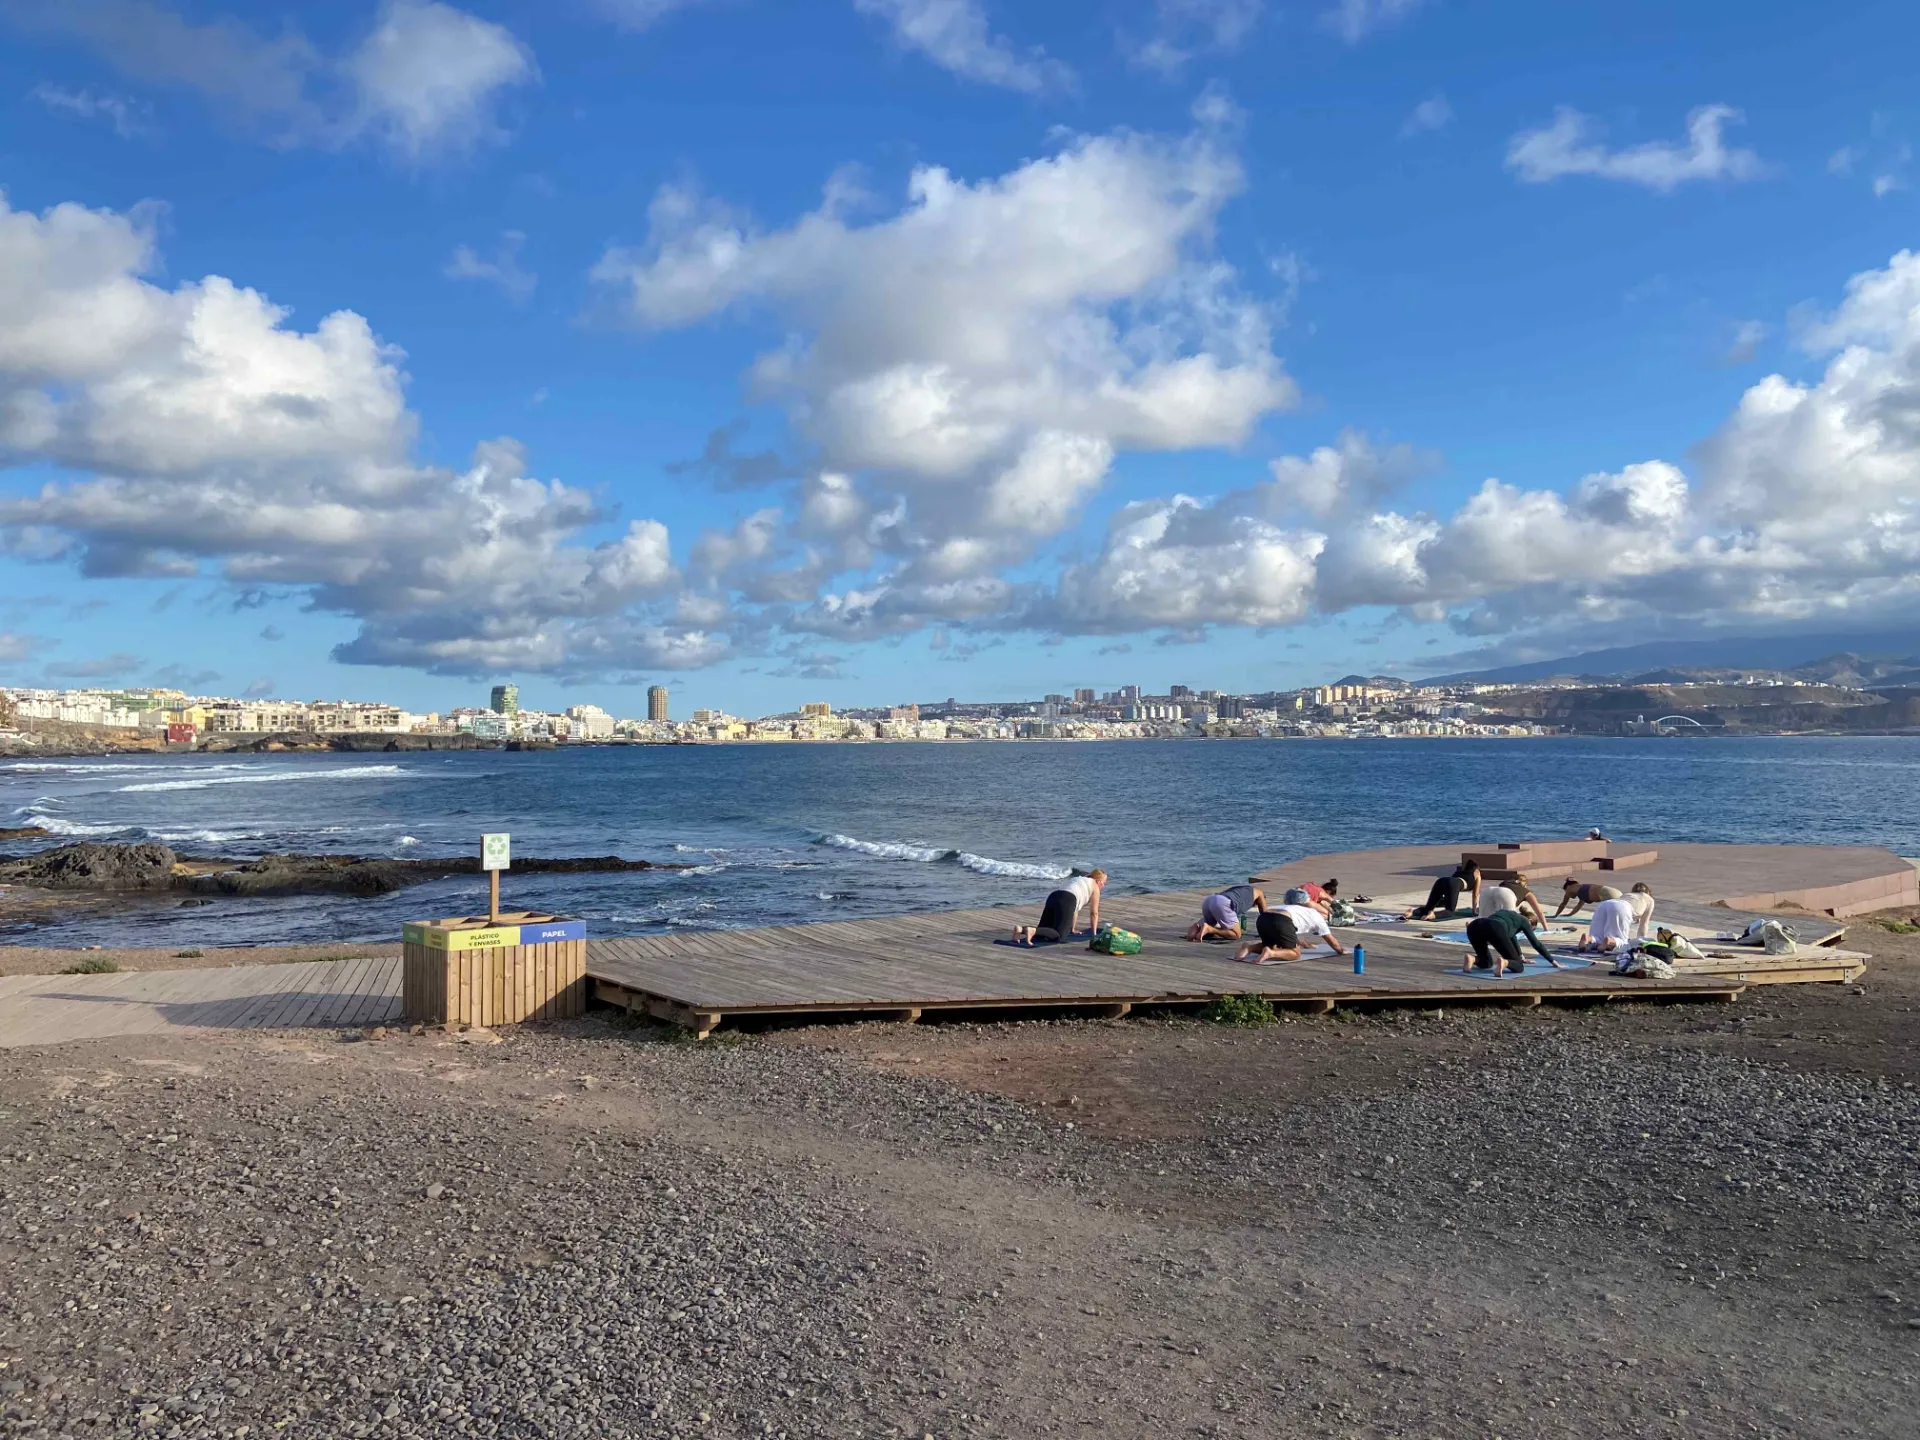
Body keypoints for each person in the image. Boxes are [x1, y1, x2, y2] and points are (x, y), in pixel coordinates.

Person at [1232, 897, 1346, 965]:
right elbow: (1332, 941)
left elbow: (1292, 934)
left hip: (1263, 917)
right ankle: (1271, 953)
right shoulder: (1318, 918)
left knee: (1273, 944)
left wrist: (1306, 944)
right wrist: (1340, 950)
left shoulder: (1299, 909)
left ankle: (1249, 947)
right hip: (1281, 920)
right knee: (1295, 953)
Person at [1013, 868, 1106, 946]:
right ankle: (1031, 930)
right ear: (1098, 881)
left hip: (1054, 896)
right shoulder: (1095, 886)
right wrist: (1094, 934)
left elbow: (1074, 909)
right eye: (1103, 883)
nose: (1103, 886)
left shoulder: (1078, 879)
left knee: (1041, 933)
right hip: (1067, 900)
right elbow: (1094, 913)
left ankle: (1021, 929)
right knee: (1059, 936)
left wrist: (1072, 929)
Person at [1465, 908, 1563, 976]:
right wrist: (1552, 961)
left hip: (1474, 926)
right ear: (1530, 921)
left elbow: (1512, 937)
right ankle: (1504, 962)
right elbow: (1536, 944)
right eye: (1531, 929)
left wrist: (1520, 956)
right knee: (1519, 967)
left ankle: (1472, 959)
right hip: (1495, 928)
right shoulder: (1524, 921)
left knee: (1486, 963)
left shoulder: (1509, 915)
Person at [1402, 860, 1480, 921]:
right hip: (1454, 883)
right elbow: (1475, 894)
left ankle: (1412, 912)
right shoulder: (1477, 874)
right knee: (1450, 911)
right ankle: (1433, 915)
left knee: (1428, 907)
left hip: (1442, 880)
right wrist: (1474, 911)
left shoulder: (1459, 872)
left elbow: (1448, 888)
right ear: (1476, 869)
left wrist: (1444, 901)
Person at [1188, 882, 1267, 942]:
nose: (1253, 906)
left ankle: (1194, 931)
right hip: (1223, 903)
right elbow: (1265, 915)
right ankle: (1209, 929)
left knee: (1208, 928)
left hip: (1210, 900)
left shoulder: (1242, 891)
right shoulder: (1259, 892)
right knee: (1236, 935)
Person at [1553, 878, 1622, 917]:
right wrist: (1569, 914)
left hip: (1611, 896)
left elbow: (1565, 902)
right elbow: (1578, 905)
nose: (1566, 895)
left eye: (1565, 892)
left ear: (1568, 887)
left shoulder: (1574, 889)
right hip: (1617, 893)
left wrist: (1556, 915)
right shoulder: (1582, 889)